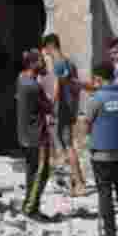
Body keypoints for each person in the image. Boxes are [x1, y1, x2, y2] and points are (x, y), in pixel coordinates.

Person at [82, 62, 118, 236]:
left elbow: (86, 124)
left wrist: (89, 138)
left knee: (105, 195)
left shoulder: (96, 99)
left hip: (101, 156)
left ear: (98, 79)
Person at [40, 33, 88, 196]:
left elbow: (57, 88)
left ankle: (79, 183)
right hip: (69, 107)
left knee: (67, 146)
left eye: (46, 49)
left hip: (61, 109)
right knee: (68, 144)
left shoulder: (58, 64)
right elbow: (75, 87)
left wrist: (51, 107)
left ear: (50, 46)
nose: (46, 53)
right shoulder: (69, 63)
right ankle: (77, 181)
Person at [16, 49, 52, 219]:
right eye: (41, 61)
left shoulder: (21, 78)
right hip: (37, 135)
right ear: (32, 64)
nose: (44, 64)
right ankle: (31, 208)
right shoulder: (34, 86)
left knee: (31, 171)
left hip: (25, 133)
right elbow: (49, 107)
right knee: (41, 173)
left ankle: (28, 205)